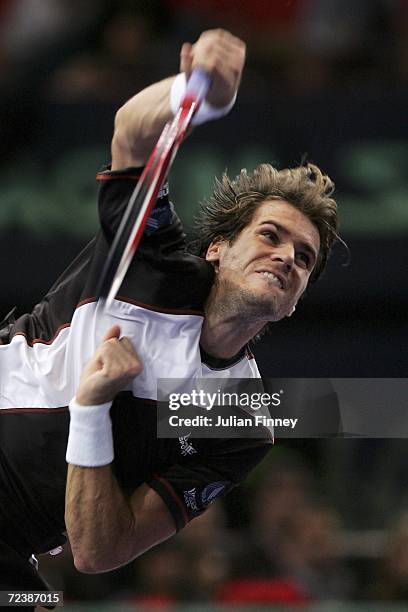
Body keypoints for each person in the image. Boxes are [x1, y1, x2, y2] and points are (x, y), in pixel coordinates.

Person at [0, 28, 339, 594]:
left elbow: (98, 550)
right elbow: (130, 134)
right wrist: (196, 91)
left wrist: (91, 408)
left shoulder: (239, 421)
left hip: (15, 553)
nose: (286, 257)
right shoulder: (152, 260)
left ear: (296, 301)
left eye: (304, 259)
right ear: (218, 249)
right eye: (270, 236)